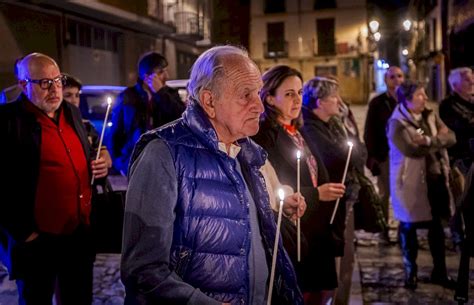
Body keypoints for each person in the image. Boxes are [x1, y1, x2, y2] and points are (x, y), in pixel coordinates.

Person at [121, 46, 304, 305]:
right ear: (209, 101)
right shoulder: (163, 154)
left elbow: (238, 224)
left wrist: (277, 212)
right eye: (245, 95)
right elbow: (143, 269)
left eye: (259, 93)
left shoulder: (248, 153)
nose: (260, 107)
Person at [0, 53, 109, 305]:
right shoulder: (8, 121)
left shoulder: (70, 112)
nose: (54, 89)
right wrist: (23, 232)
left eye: (57, 80)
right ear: (24, 85)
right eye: (44, 83)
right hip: (38, 240)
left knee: (78, 298)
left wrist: (99, 165)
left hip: (78, 234)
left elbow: (86, 154)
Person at [252, 65, 346, 305]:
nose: (297, 99)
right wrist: (315, 194)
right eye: (289, 94)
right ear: (270, 98)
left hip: (317, 226)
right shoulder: (265, 136)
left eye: (300, 92)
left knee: (324, 292)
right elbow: (270, 187)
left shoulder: (296, 130)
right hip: (297, 228)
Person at [387, 80, 456, 290]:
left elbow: (451, 137)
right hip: (410, 183)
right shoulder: (397, 123)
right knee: (409, 227)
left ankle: (440, 272)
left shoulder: (429, 115)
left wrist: (427, 141)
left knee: (436, 228)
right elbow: (410, 150)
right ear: (407, 100)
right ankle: (411, 273)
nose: (425, 98)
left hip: (435, 179)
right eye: (420, 95)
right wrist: (437, 140)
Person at [109, 51, 185, 175]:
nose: (167, 76)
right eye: (161, 72)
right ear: (146, 76)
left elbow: (180, 118)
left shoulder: (170, 94)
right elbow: (116, 133)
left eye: (166, 71)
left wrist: (160, 93)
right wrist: (119, 163)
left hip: (166, 162)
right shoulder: (128, 96)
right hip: (136, 160)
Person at [364, 66, 405, 224]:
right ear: (386, 80)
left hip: (406, 154)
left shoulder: (408, 100)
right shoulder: (377, 103)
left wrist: (420, 136)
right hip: (385, 155)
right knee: (384, 193)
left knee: (404, 193)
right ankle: (383, 229)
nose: (397, 80)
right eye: (392, 77)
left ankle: (405, 229)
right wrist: (372, 155)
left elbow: (420, 126)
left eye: (399, 76)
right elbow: (369, 131)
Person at [62, 73, 112, 168]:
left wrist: (103, 162)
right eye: (68, 95)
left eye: (77, 95)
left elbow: (106, 157)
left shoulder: (86, 126)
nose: (74, 100)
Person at [440, 67, 474, 168]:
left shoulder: (471, 101)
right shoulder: (448, 105)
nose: (472, 82)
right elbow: (463, 128)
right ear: (455, 85)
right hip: (463, 160)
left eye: (472, 78)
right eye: (467, 80)